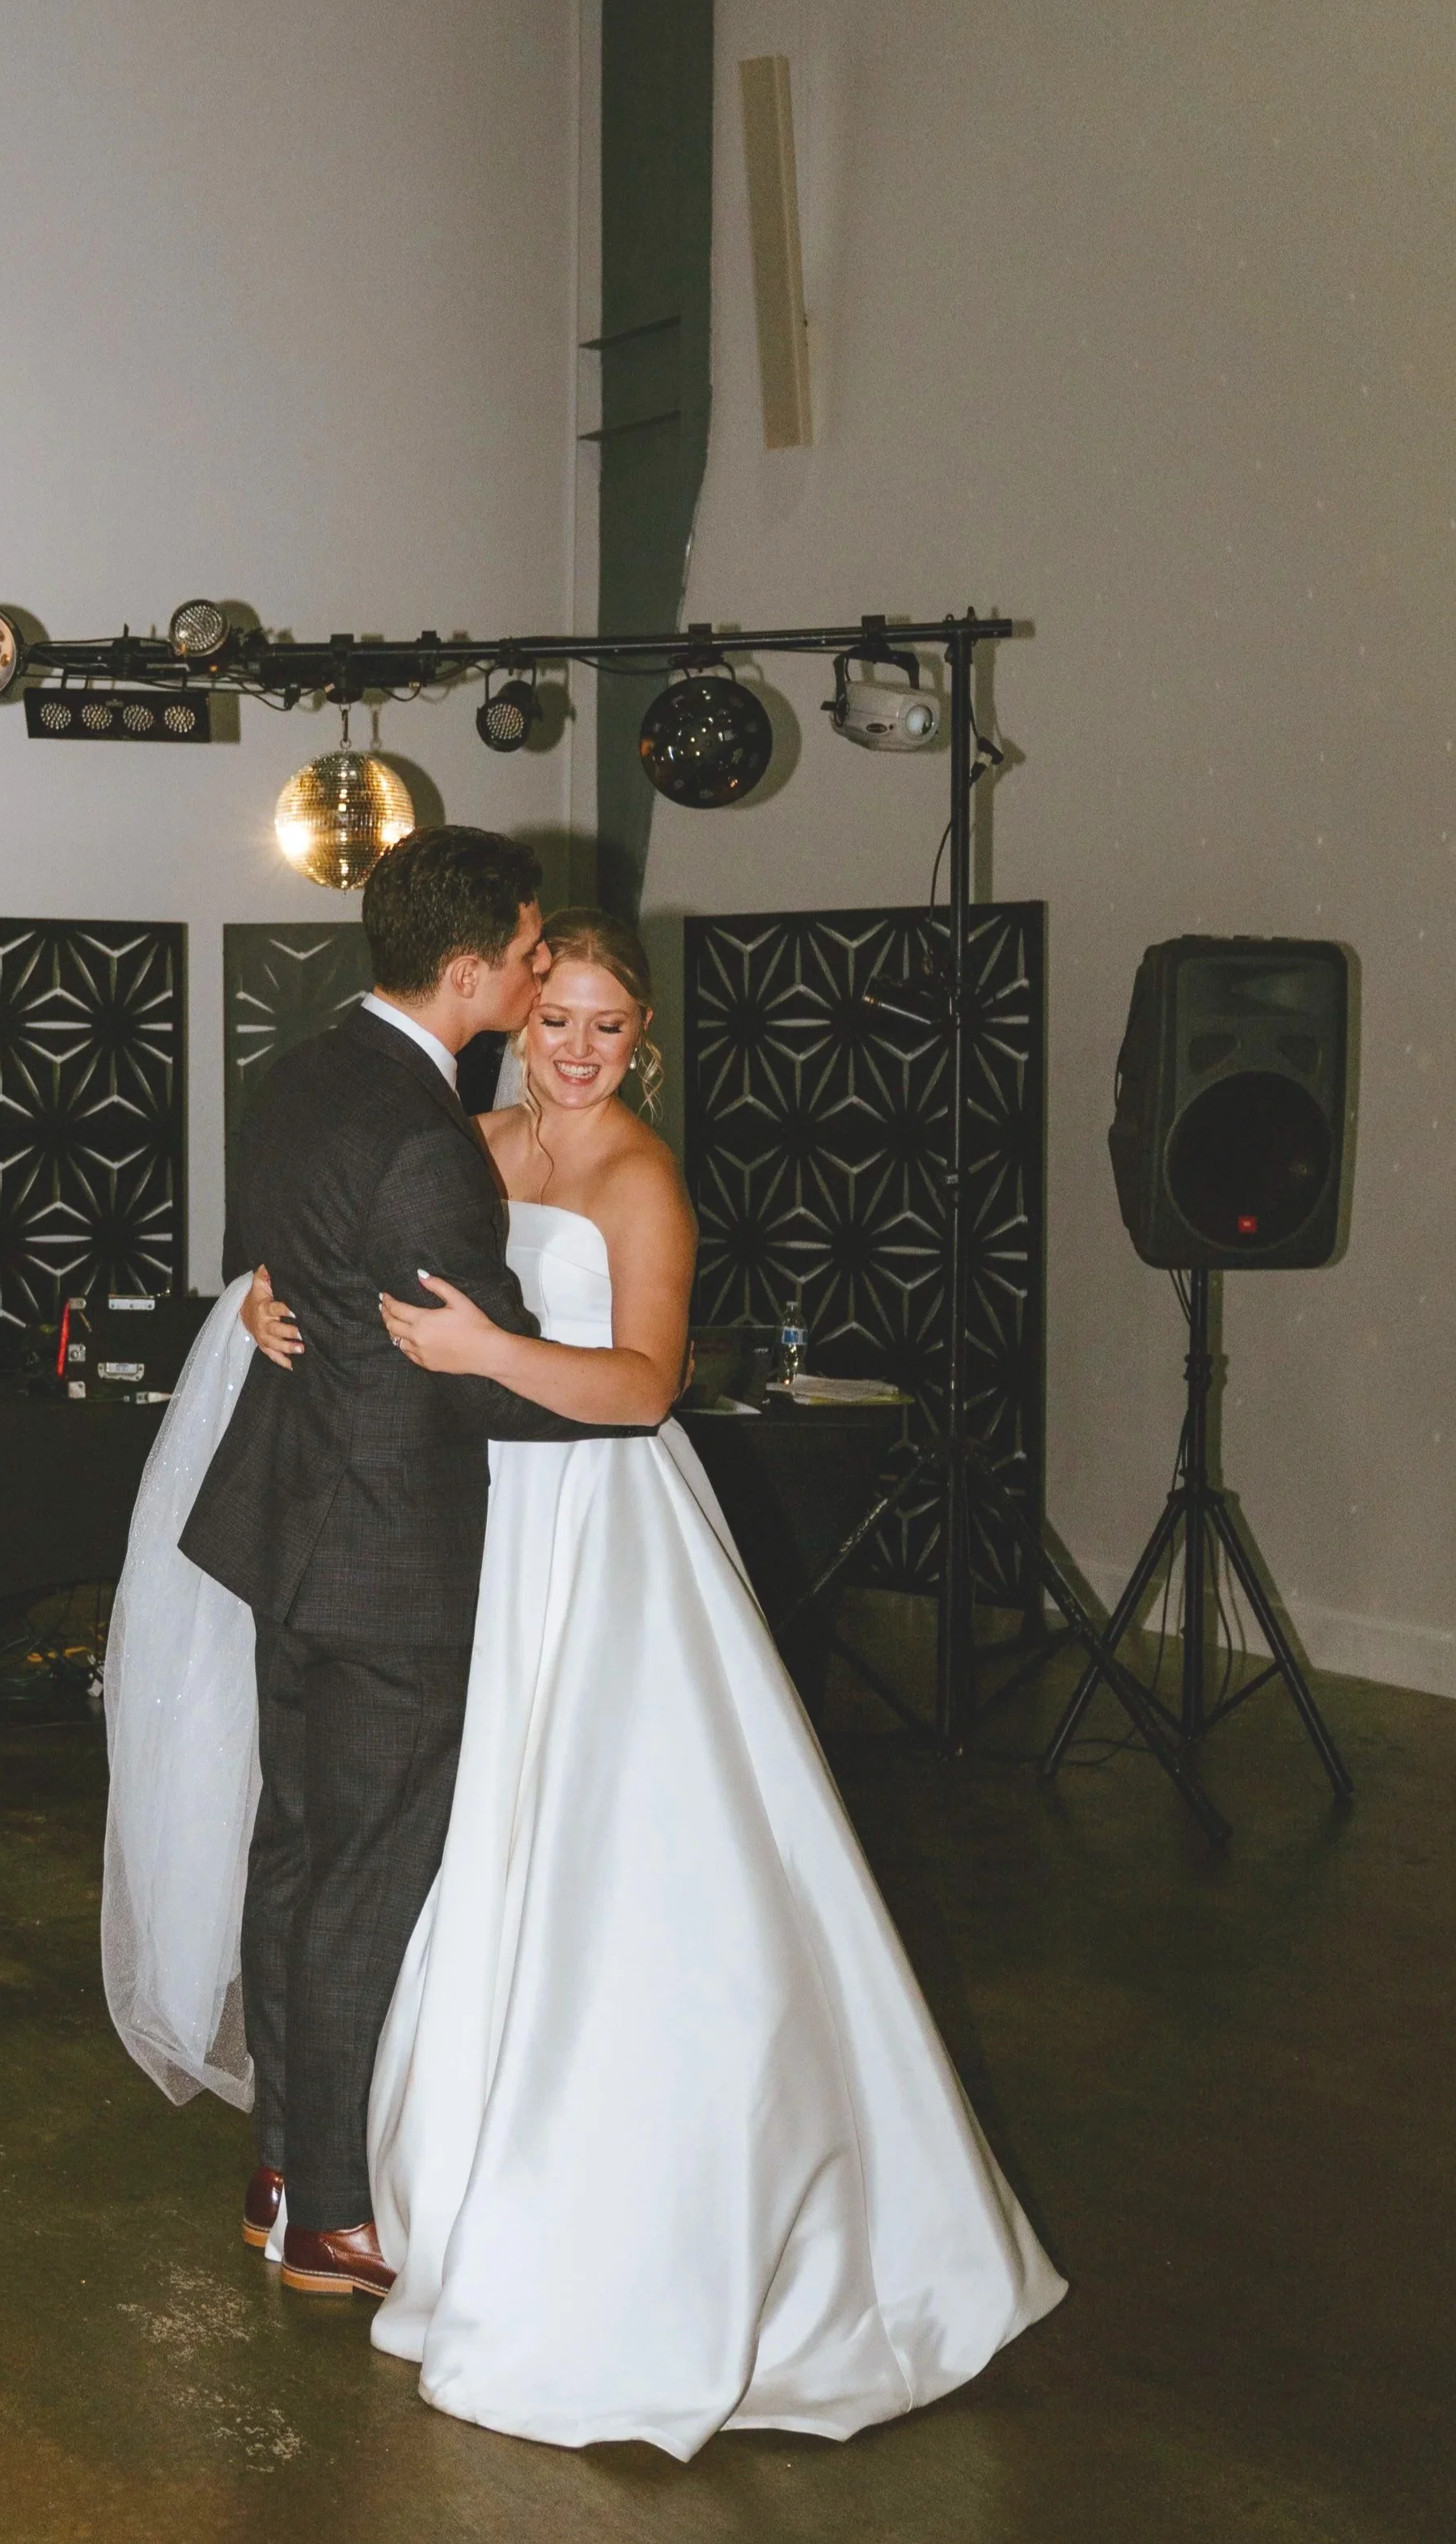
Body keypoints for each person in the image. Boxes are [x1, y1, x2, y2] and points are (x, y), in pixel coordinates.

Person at [101, 893, 1065, 2457]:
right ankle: (357, 2166)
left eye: (610, 1028)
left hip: (591, 1530)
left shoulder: (639, 1177)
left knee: (593, 1851)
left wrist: (491, 1359)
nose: (576, 1051)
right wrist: (268, 1301)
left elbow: (645, 1385)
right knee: (419, 1851)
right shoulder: (459, 1139)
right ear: (520, 1009)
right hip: (462, 1528)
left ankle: (536, 2181)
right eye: (558, 1019)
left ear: (647, 1045)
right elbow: (353, 1263)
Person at [164, 829, 650, 2301]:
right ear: (468, 973)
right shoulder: (431, 1140)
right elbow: (481, 1385)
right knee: (367, 1878)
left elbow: (291, 1265)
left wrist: (274, 1302)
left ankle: (276, 2172)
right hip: (393, 1560)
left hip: (295, 1535)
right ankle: (330, 2215)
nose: (534, 973)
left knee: (299, 1857)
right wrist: (524, 1362)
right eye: (522, 959)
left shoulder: (300, 1072)